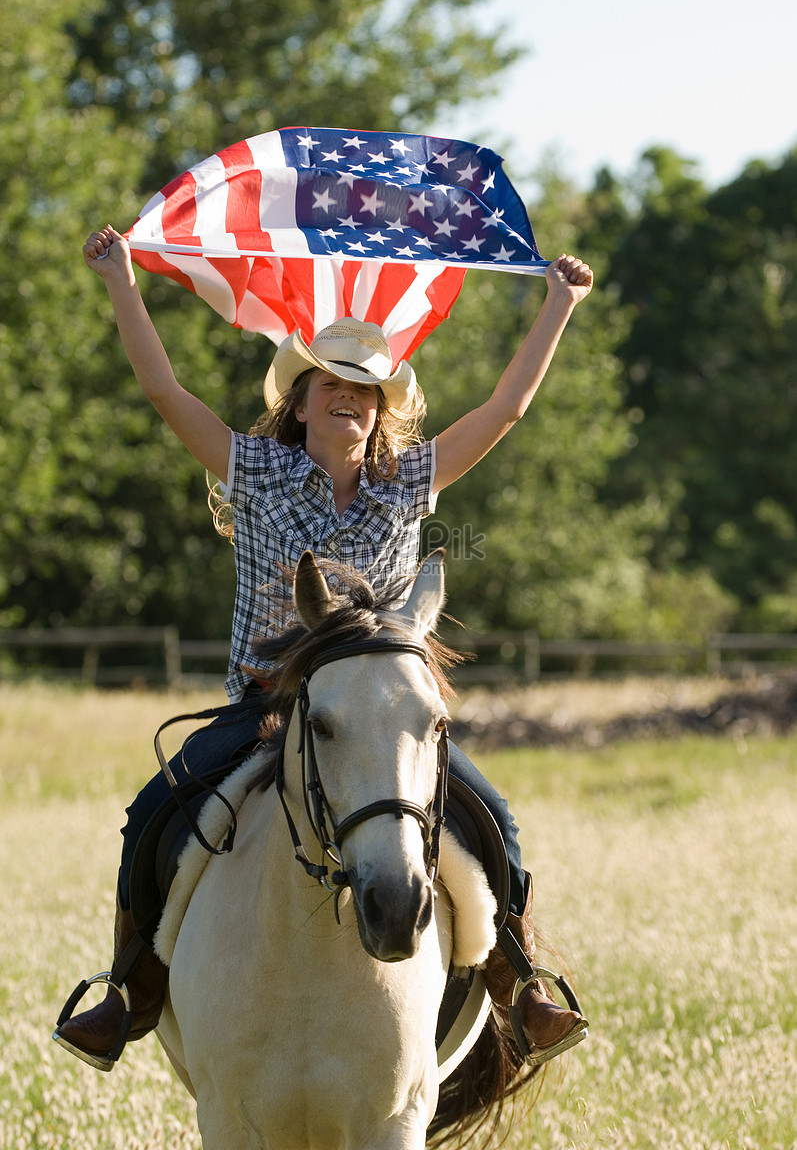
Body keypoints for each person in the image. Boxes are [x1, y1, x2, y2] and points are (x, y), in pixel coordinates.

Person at [55, 224, 593, 1071]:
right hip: (266, 708)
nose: (349, 394)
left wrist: (558, 304)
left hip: (380, 717)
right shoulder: (254, 472)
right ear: (299, 399)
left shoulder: (410, 481)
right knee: (150, 813)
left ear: (382, 409)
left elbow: (506, 409)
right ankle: (131, 990)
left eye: (366, 387)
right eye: (330, 381)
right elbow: (162, 389)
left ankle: (517, 984)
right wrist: (123, 275)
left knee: (495, 821)